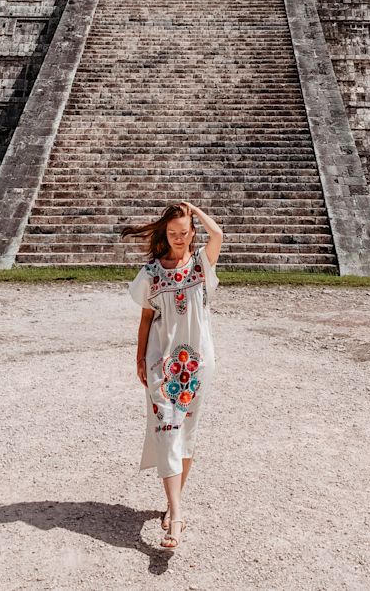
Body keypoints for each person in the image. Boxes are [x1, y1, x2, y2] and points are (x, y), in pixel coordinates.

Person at [121, 201, 222, 549]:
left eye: (184, 232)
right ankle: (177, 516)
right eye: (172, 233)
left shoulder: (201, 265)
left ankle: (171, 504)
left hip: (197, 364)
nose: (178, 238)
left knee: (186, 436)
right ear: (164, 234)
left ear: (193, 232)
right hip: (162, 363)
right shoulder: (151, 273)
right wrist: (138, 359)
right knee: (167, 432)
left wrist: (195, 209)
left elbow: (219, 234)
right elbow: (146, 319)